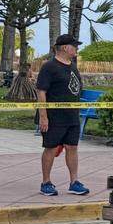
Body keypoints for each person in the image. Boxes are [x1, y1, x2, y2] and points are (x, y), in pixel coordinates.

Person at [36, 34, 90, 196]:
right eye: (74, 46)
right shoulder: (49, 67)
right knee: (50, 148)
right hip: (55, 116)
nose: (77, 49)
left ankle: (74, 182)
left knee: (72, 147)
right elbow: (41, 91)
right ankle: (46, 182)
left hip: (72, 115)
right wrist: (43, 116)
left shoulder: (72, 65)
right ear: (65, 48)